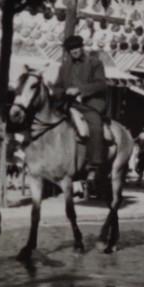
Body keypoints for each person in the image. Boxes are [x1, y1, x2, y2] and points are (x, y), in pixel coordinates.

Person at [54, 34, 109, 185]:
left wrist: (79, 90)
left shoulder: (95, 63)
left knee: (95, 124)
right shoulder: (64, 67)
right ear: (68, 52)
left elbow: (101, 84)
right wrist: (61, 92)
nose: (75, 51)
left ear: (82, 47)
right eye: (71, 49)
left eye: (77, 48)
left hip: (89, 103)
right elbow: (57, 86)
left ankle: (94, 165)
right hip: (67, 104)